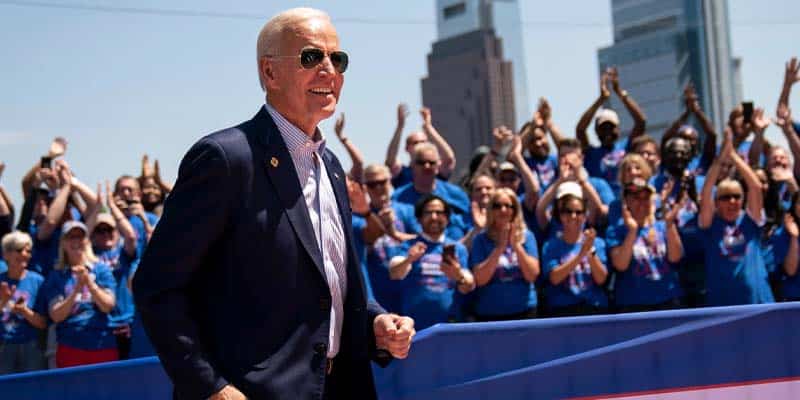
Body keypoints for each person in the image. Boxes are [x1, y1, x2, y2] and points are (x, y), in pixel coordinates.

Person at [132, 8, 414, 400]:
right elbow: (156, 287)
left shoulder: (331, 167)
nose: (329, 70)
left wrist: (375, 324)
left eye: (339, 59)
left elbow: (327, 285)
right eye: (311, 57)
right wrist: (211, 387)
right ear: (269, 72)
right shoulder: (226, 159)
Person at [698, 130, 774, 306]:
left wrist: (733, 155)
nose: (732, 201)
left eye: (736, 196)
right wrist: (720, 160)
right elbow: (706, 191)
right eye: (725, 197)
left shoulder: (751, 220)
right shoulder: (710, 224)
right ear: (716, 203)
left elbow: (754, 186)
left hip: (758, 301)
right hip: (723, 306)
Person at [388, 195, 475, 329]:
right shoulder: (409, 246)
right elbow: (394, 273)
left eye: (439, 212)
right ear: (419, 218)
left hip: (450, 325)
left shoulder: (458, 249)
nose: (434, 217)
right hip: (414, 328)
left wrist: (458, 276)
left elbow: (468, 286)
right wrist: (409, 259)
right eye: (428, 212)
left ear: (447, 218)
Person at [43, 221, 117, 368]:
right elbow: (56, 315)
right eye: (71, 237)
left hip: (102, 343)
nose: (76, 241)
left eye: (80, 237)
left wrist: (89, 284)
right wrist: (77, 289)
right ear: (63, 243)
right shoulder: (56, 276)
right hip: (70, 345)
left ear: (87, 241)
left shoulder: (101, 270)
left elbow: (108, 305)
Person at [606, 179, 685, 312]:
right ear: (626, 202)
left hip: (668, 301)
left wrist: (670, 224)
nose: (642, 202)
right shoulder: (616, 230)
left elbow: (675, 257)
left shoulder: (663, 226)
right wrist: (632, 231)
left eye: (646, 198)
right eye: (636, 197)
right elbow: (620, 265)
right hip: (634, 305)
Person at [469, 188, 540, 321]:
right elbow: (480, 279)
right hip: (490, 313)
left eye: (508, 206)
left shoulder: (528, 237)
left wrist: (516, 246)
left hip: (524, 310)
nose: (503, 210)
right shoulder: (480, 239)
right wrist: (499, 248)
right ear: (491, 210)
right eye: (497, 206)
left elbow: (532, 275)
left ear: (515, 210)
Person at [576, 67, 647, 198]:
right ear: (596, 132)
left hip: (628, 201)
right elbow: (580, 130)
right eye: (603, 128)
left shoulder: (627, 148)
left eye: (611, 127)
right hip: (601, 207)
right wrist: (601, 99)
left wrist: (620, 93)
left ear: (618, 129)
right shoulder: (591, 153)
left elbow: (641, 121)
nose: (607, 132)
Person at [541, 185, 609, 317]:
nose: (573, 216)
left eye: (578, 212)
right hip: (563, 311)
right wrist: (581, 254)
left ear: (585, 216)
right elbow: (554, 278)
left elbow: (601, 279)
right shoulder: (551, 245)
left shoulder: (597, 243)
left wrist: (590, 253)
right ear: (560, 215)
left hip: (594, 309)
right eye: (568, 211)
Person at [0, 231, 47, 374]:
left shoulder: (38, 281)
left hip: (31, 347)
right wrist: (4, 302)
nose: (25, 254)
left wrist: (24, 311)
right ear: (6, 254)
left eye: (28, 251)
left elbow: (43, 323)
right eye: (19, 250)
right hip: (4, 347)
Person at [385, 104, 456, 188]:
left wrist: (428, 128)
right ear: (407, 148)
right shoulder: (402, 173)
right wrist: (400, 126)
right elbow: (390, 161)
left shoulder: (434, 169)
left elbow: (448, 160)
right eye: (415, 143)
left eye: (423, 142)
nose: (420, 145)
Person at [661, 84, 717, 176]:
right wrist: (687, 113)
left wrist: (696, 110)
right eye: (683, 138)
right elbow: (666, 138)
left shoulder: (704, 160)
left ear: (697, 142)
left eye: (691, 139)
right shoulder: (669, 159)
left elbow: (712, 135)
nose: (687, 142)